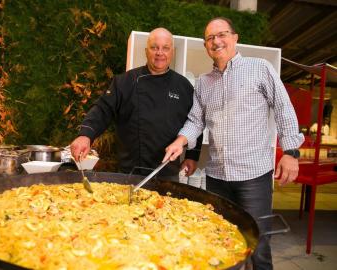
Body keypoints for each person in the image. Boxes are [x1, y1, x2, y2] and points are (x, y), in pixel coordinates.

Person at [163, 17, 304, 269]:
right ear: (206, 46)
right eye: (210, 38)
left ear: (235, 37)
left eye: (222, 34)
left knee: (258, 246)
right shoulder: (204, 83)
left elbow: (284, 109)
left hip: (253, 176)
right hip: (217, 178)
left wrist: (291, 152)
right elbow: (196, 121)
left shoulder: (260, 68)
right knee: (223, 241)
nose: (216, 41)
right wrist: (180, 141)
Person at [71, 27, 202, 178]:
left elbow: (196, 121)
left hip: (167, 171)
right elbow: (103, 109)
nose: (160, 53)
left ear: (172, 52)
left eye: (165, 48)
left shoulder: (184, 86)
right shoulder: (124, 81)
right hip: (129, 171)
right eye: (154, 47)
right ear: (146, 51)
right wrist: (86, 135)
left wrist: (192, 156)